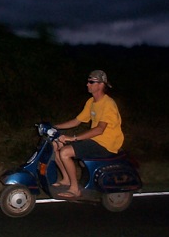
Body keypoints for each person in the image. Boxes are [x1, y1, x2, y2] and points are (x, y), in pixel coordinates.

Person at [52, 70, 124, 199]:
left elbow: (99, 130)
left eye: (91, 82)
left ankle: (75, 189)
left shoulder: (108, 104)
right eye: (88, 81)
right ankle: (67, 179)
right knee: (56, 144)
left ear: (101, 85)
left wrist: (73, 138)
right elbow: (77, 121)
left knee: (65, 152)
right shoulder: (91, 102)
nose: (87, 84)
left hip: (106, 144)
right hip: (96, 140)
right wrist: (54, 126)